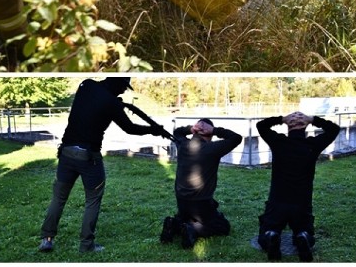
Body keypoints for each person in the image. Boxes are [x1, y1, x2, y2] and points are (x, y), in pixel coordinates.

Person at [39, 78, 167, 253]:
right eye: (123, 87)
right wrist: (153, 130)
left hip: (66, 153)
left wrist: (115, 104)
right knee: (92, 200)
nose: (123, 91)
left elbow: (92, 105)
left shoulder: (86, 85)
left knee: (59, 198)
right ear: (116, 83)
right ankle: (86, 245)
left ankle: (46, 240)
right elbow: (129, 128)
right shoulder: (111, 103)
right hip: (89, 156)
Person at [255, 112, 340, 262]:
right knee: (305, 231)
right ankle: (303, 236)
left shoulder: (278, 142)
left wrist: (281, 119)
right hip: (301, 204)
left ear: (289, 126)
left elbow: (261, 125)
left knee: (267, 232)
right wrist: (312, 119)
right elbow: (334, 129)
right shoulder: (312, 145)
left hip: (277, 202)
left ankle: (271, 235)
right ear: (305, 126)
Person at [160, 119, 242, 249]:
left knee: (186, 218)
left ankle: (174, 223)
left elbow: (177, 132)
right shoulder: (212, 148)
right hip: (201, 201)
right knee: (222, 226)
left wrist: (190, 128)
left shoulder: (182, 144)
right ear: (209, 134)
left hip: (181, 199)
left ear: (195, 132)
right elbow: (236, 138)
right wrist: (214, 130)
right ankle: (192, 230)